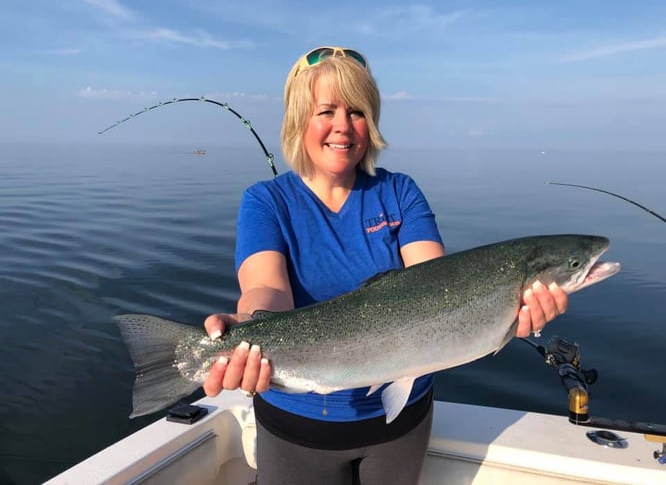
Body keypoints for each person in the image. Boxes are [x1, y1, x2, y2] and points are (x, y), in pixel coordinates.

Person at [202, 46, 568, 485]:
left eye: (357, 111)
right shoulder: (266, 201)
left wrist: (509, 313)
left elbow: (440, 287)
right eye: (326, 111)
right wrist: (245, 328)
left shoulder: (400, 192)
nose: (343, 126)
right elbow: (267, 290)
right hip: (297, 424)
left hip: (400, 423)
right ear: (299, 119)